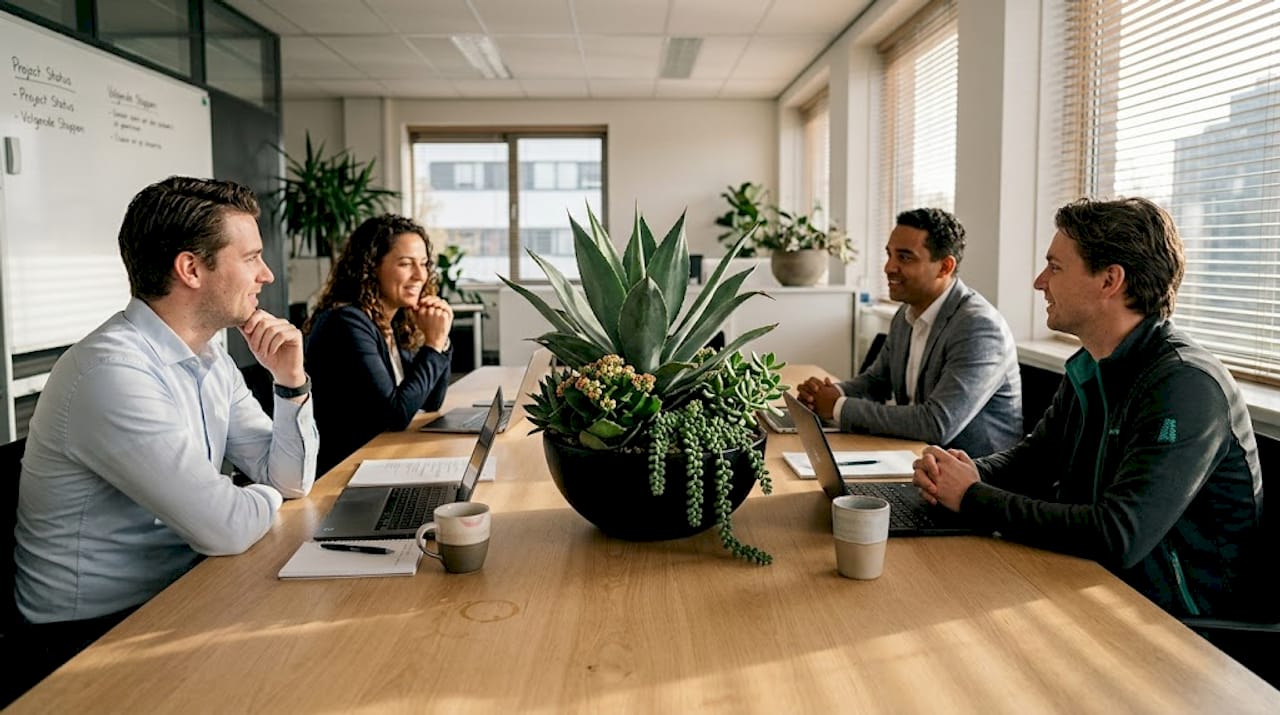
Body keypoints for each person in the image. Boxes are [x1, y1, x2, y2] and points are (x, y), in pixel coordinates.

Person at [13, 177, 317, 682]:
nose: (265, 275)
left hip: (182, 591)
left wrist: (289, 383)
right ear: (191, 269)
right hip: (88, 640)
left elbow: (291, 481)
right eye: (251, 258)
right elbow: (225, 527)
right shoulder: (110, 373)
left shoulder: (211, 357)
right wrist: (257, 496)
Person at [913, 197, 1264, 620]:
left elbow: (1119, 534)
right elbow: (1035, 460)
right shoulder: (1092, 364)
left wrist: (972, 497)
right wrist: (958, 473)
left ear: (1109, 281)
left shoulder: (1185, 385)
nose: (1040, 282)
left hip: (1179, 625)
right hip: (1093, 584)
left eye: (1055, 267)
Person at [797, 208, 1022, 456]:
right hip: (916, 458)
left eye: (904, 258)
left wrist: (838, 408)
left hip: (975, 478)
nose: (889, 267)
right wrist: (832, 393)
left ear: (945, 267)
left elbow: (936, 423)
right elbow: (876, 382)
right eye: (889, 255)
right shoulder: (906, 314)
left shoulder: (979, 327)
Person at [304, 214, 453, 474]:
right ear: (372, 267)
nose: (420, 275)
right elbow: (395, 415)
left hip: (375, 459)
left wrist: (440, 343)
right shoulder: (346, 322)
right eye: (406, 264)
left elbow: (431, 400)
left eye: (424, 264)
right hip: (341, 472)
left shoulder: (390, 321)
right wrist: (433, 344)